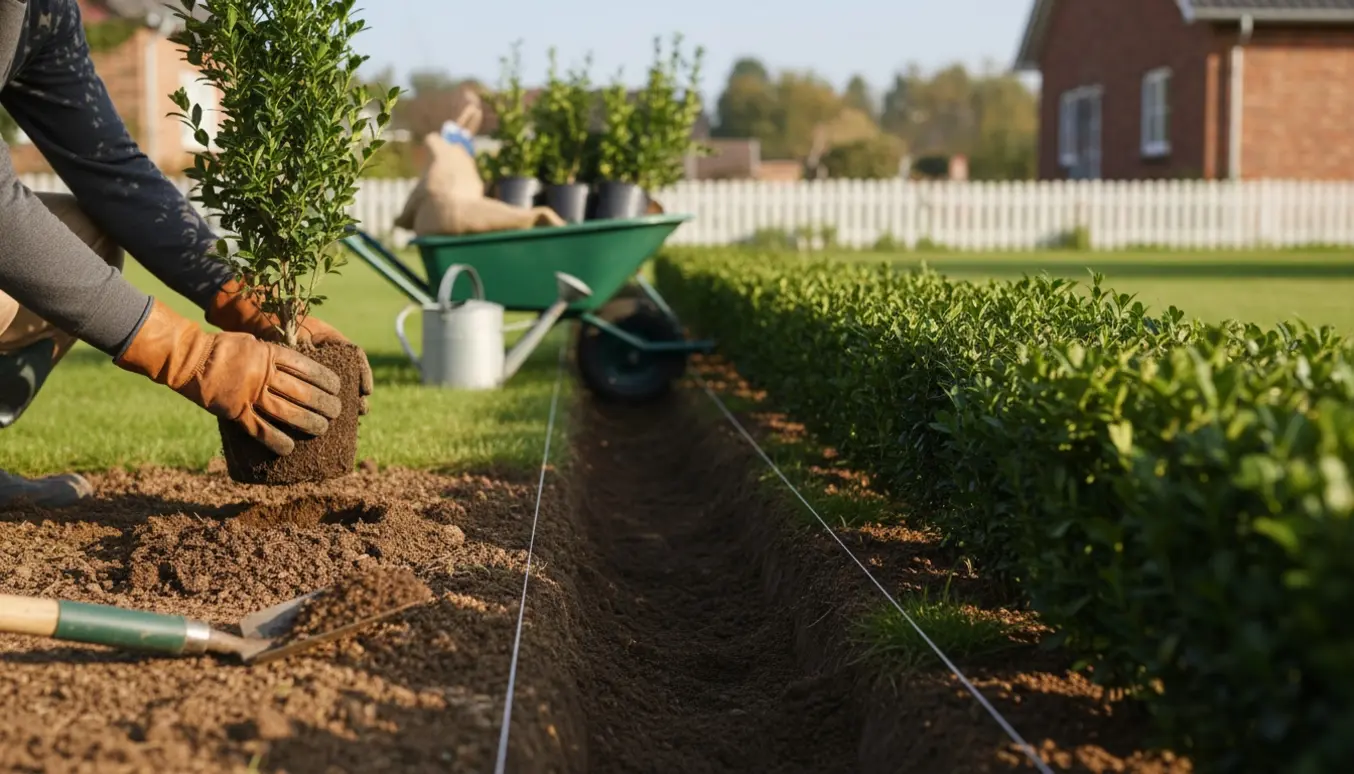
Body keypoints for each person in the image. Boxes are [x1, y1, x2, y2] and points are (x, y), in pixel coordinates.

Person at [0, 0, 372, 507]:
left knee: (85, 235)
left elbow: (109, 168)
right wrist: (188, 354)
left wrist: (238, 296)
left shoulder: (46, 12)